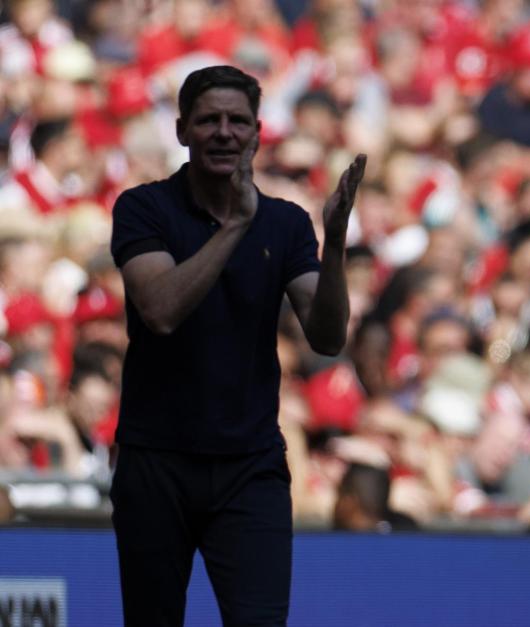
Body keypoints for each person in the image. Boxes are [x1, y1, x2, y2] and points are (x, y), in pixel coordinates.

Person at [108, 65, 366, 627]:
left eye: (237, 121)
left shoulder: (286, 223)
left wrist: (337, 241)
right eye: (208, 120)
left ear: (256, 132)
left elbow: (326, 336)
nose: (223, 132)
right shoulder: (143, 208)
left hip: (250, 466)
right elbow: (160, 311)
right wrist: (234, 227)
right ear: (181, 131)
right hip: (156, 460)